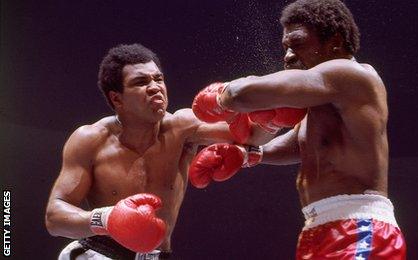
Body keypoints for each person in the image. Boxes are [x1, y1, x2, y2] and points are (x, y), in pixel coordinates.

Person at [191, 0, 406, 259]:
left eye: (298, 44)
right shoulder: (320, 102)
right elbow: (299, 143)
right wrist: (253, 155)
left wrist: (221, 96)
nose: (289, 55)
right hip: (317, 228)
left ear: (335, 43)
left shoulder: (352, 75)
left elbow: (241, 94)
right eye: (286, 47)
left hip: (359, 227)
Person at [44, 43, 275, 259]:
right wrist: (107, 219)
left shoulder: (183, 127)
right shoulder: (90, 139)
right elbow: (55, 217)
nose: (155, 87)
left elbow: (252, 136)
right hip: (101, 253)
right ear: (117, 98)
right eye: (141, 82)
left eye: (158, 79)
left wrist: (273, 117)